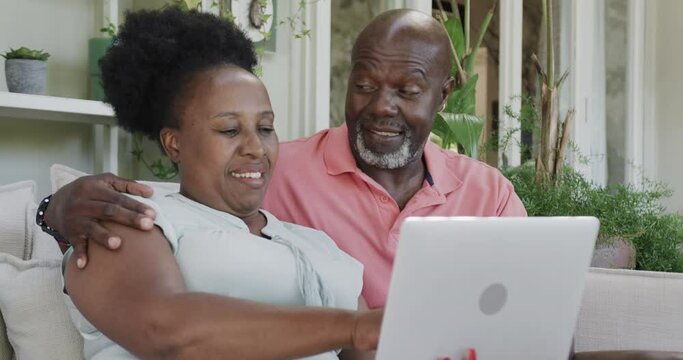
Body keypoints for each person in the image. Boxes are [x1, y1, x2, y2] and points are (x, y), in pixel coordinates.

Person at [42, 9, 526, 309]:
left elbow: (532, 307)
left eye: (408, 91)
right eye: (363, 86)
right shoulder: (271, 171)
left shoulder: (489, 193)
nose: (382, 106)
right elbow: (165, 206)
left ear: (442, 98)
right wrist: (54, 209)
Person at [58, 7, 382, 359]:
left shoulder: (316, 244)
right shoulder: (134, 219)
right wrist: (351, 327)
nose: (256, 148)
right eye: (229, 130)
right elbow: (165, 331)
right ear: (173, 143)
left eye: (265, 128)